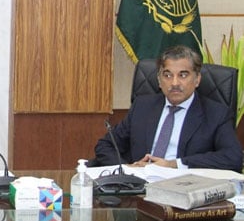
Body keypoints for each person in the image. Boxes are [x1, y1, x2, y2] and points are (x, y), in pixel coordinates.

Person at [94, 45, 242, 171]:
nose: (174, 83)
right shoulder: (142, 106)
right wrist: (128, 169)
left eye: (183, 75)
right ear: (159, 80)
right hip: (139, 190)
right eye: (167, 75)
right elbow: (106, 145)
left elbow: (233, 157)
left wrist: (175, 164)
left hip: (184, 188)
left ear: (197, 80)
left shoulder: (216, 113)